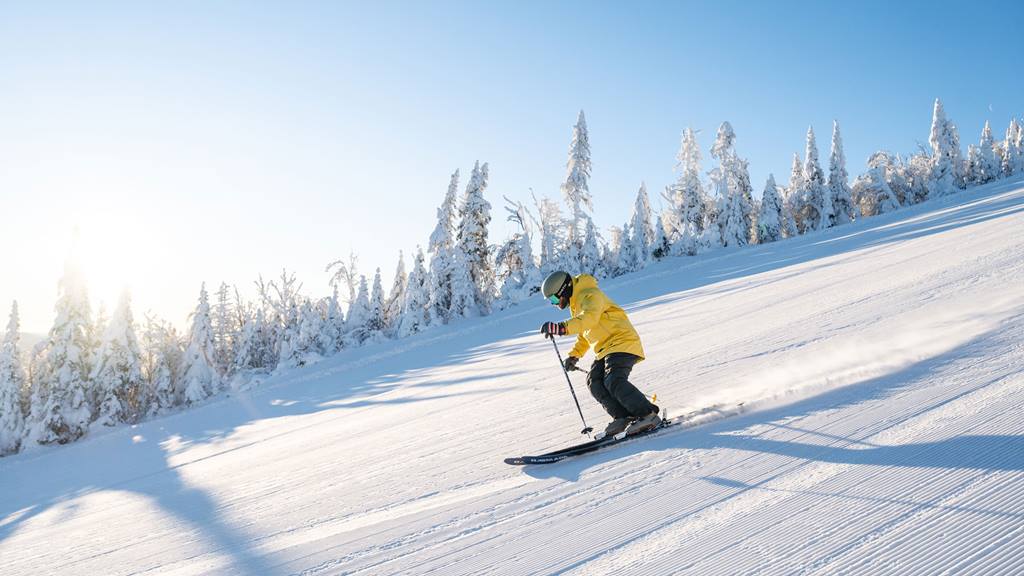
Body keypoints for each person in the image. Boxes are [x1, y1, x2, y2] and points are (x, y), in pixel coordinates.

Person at [539, 270, 661, 437]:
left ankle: (648, 415)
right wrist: (575, 355)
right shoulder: (576, 304)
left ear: (563, 290)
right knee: (594, 381)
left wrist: (561, 328)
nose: (554, 304)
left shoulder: (591, 295)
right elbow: (585, 332)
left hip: (622, 341)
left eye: (553, 299)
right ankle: (623, 416)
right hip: (605, 349)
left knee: (614, 380)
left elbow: (588, 320)